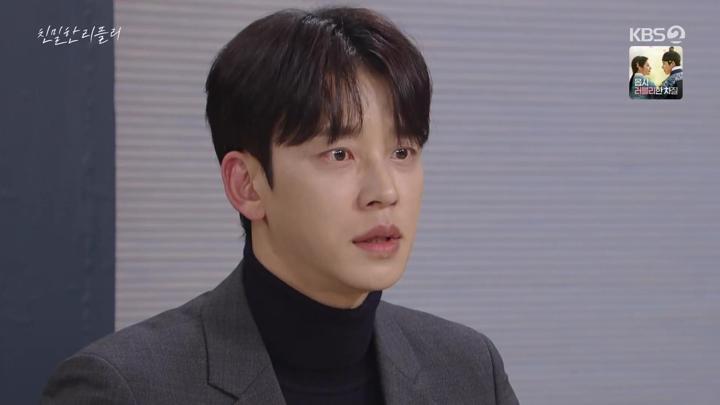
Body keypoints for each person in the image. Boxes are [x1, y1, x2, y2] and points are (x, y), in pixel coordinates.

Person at [42, 6, 519, 405]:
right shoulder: (122, 388)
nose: (385, 191)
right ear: (247, 185)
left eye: (402, 151)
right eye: (339, 154)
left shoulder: (470, 371)